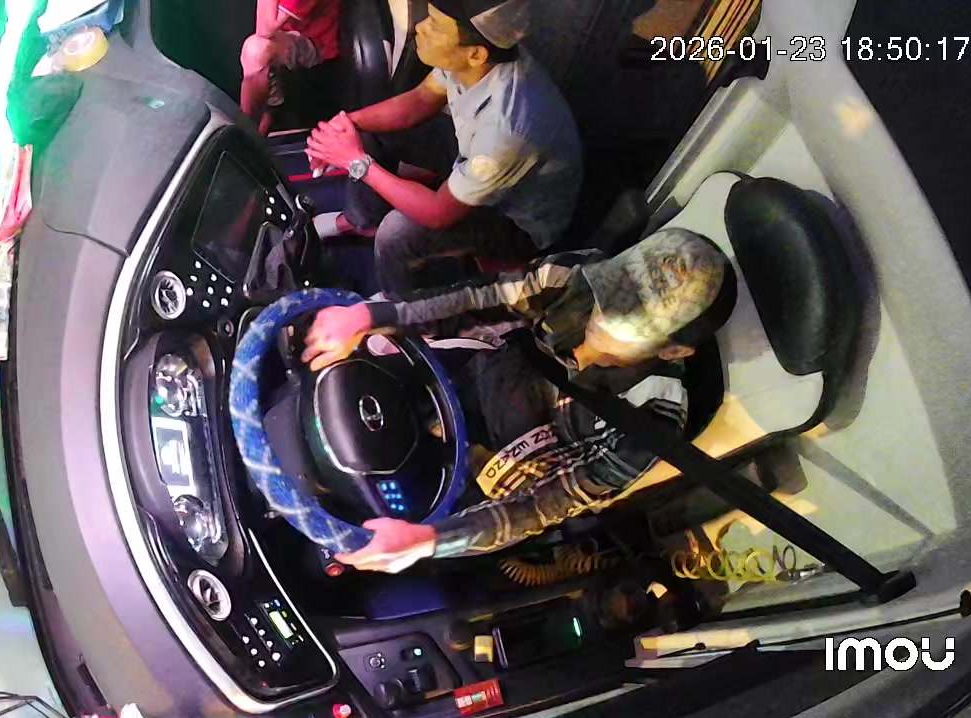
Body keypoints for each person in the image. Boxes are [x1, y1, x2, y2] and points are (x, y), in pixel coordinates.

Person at [300, 229, 738, 572]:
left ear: (674, 350)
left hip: (496, 479)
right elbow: (477, 298)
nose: (597, 320)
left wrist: (430, 541)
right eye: (610, 295)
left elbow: (544, 504)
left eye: (626, 323)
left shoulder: (652, 420)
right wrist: (370, 316)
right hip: (469, 382)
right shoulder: (577, 275)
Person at [306, 0, 583, 295]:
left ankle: (401, 305)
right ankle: (361, 222)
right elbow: (421, 99)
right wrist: (347, 123)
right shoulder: (469, 62)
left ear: (476, 54)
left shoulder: (509, 128)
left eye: (435, 26)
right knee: (368, 130)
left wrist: (356, 161)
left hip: (517, 218)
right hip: (474, 153)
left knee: (396, 232)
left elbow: (439, 213)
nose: (420, 27)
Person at [240, 0, 342, 135]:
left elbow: (265, 30)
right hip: (286, 32)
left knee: (256, 50)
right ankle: (267, 113)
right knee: (259, 50)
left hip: (316, 42)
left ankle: (245, 134)